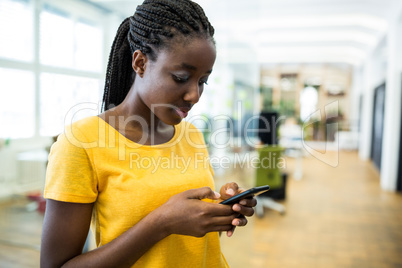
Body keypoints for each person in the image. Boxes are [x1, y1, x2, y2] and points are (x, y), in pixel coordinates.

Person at [40, 0, 257, 267]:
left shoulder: (190, 135)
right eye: (180, 77)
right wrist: (162, 222)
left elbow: (183, 206)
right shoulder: (82, 142)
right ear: (140, 62)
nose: (194, 95)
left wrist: (221, 203)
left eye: (203, 81)